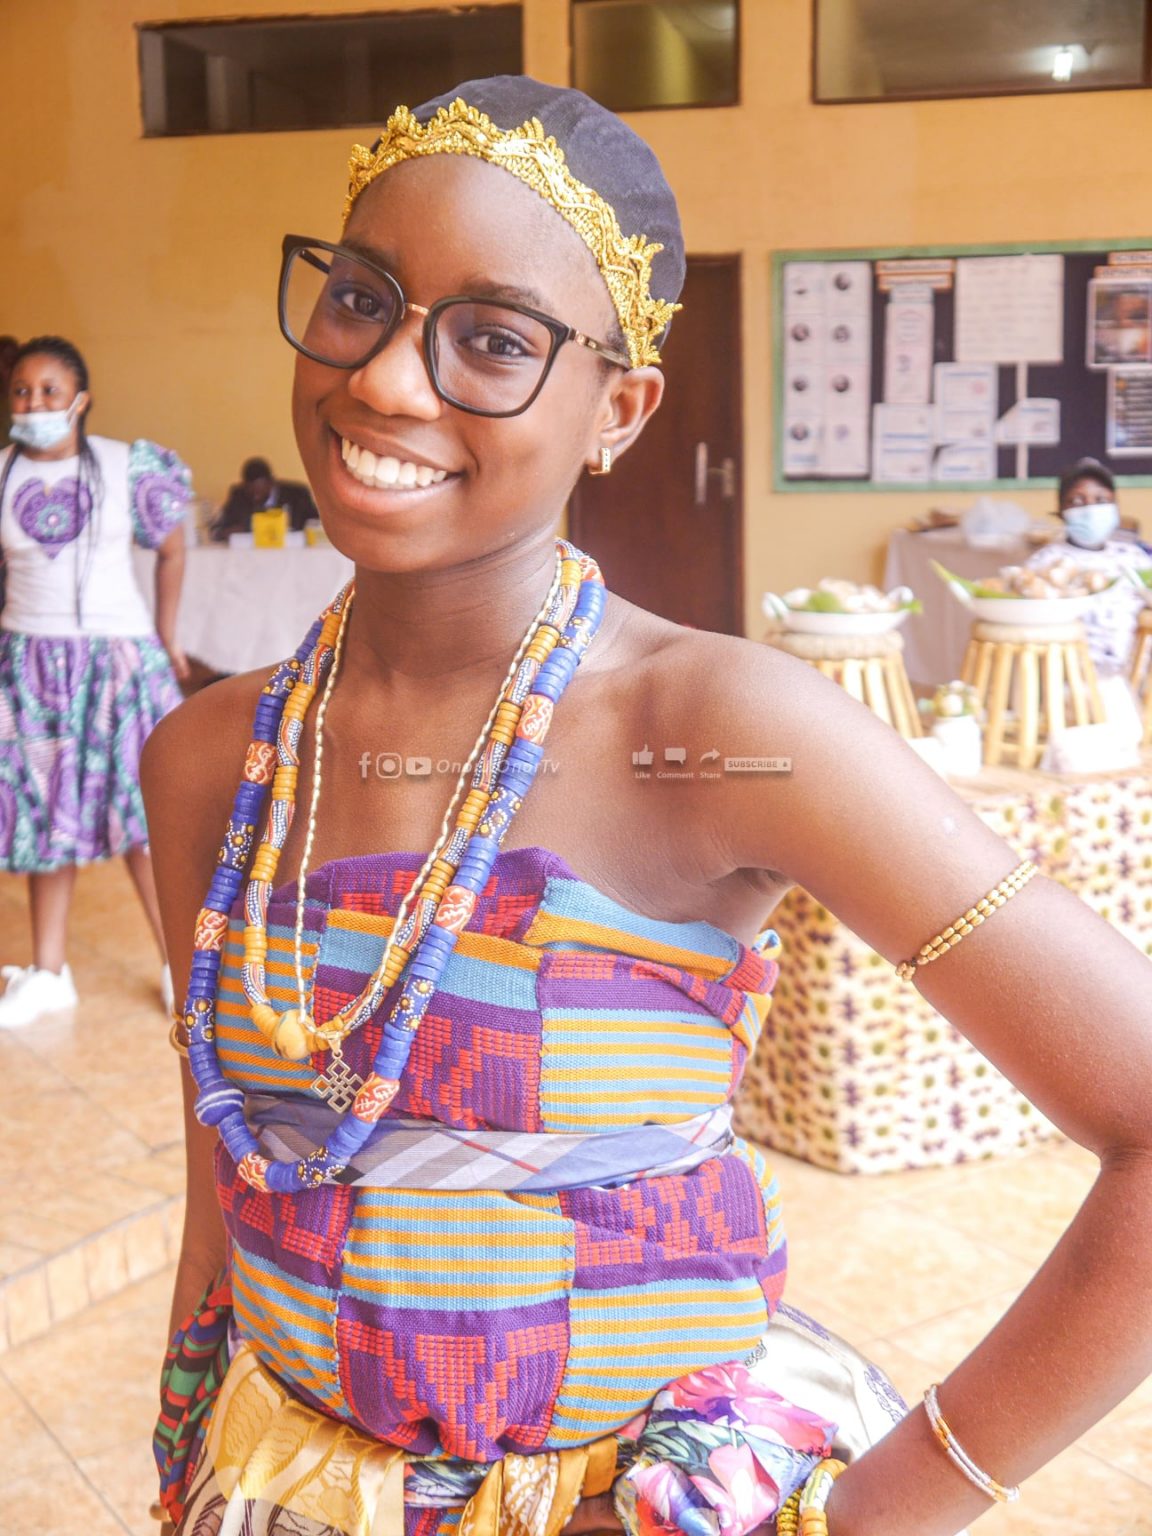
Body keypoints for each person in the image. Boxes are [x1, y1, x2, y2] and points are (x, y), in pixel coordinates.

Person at [145, 79, 1152, 1536]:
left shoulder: (721, 732)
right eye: (361, 299)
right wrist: (188, 1440)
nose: (389, 382)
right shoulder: (211, 763)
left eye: (494, 340)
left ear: (618, 411)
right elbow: (227, 1166)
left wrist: (881, 1510)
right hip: (283, 1490)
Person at [0, 335, 192, 1026]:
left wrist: (167, 635)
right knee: (44, 820)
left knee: (143, 821)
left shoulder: (126, 466)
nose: (34, 403)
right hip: (29, 667)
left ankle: (180, 973)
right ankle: (50, 973)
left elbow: (173, 548)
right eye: (22, 391)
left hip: (119, 666)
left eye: (49, 390)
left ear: (80, 399)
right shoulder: (1, 474)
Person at [1025, 455, 1152, 673]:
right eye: (1077, 501)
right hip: (1068, 679)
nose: (1090, 509)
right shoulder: (1045, 564)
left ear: (1115, 507)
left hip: (1131, 679)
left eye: (1101, 500)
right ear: (1061, 510)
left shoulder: (1134, 559)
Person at [210, 454, 318, 541]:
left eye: (259, 490)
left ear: (271, 482)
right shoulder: (238, 496)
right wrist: (226, 532)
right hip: (250, 556)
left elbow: (316, 524)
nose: (255, 496)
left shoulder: (297, 495)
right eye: (250, 490)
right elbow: (216, 531)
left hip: (293, 553)